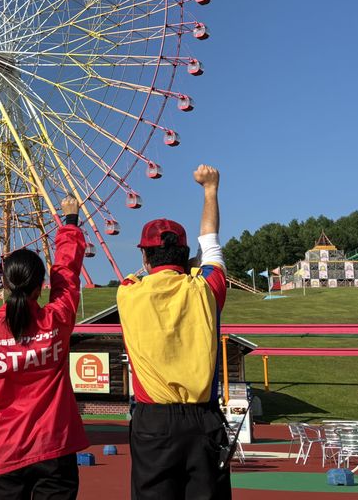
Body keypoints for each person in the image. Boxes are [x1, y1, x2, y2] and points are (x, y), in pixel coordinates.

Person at [0, 197, 89, 500]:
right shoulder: (57, 320)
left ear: (3, 283)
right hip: (55, 450)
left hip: (4, 454)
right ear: (40, 287)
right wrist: (69, 223)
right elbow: (66, 274)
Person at [117, 165, 230, 500]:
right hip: (203, 418)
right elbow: (210, 242)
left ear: (145, 256)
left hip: (153, 421)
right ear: (185, 257)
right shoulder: (208, 289)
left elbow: (199, 254)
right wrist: (210, 189)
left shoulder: (128, 293)